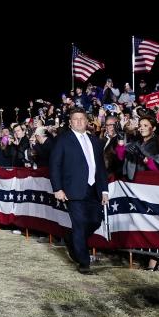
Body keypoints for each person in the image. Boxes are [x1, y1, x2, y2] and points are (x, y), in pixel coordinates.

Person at [49, 107, 109, 275]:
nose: (79, 122)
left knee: (95, 221)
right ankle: (83, 262)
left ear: (87, 121)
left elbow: (101, 168)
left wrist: (104, 190)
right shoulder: (63, 140)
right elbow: (55, 165)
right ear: (70, 122)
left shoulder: (95, 141)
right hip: (72, 191)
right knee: (80, 224)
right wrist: (57, 188)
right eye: (75, 119)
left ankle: (71, 239)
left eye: (82, 119)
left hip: (94, 190)